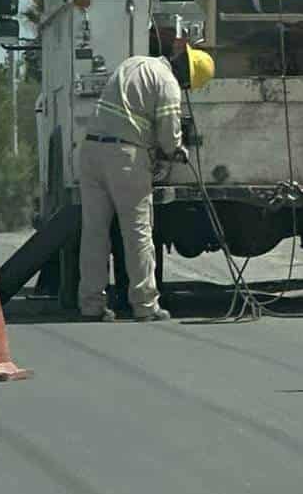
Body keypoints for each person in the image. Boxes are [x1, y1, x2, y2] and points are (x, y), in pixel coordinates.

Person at [77, 40, 215, 321]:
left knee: (94, 233)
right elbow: (168, 138)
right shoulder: (168, 84)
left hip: (91, 152)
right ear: (187, 79)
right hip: (124, 158)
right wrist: (178, 150)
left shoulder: (135, 63)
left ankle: (91, 304)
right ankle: (145, 304)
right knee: (137, 232)